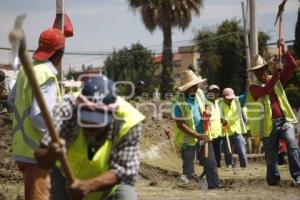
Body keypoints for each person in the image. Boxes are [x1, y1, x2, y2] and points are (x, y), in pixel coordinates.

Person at [35, 75, 145, 200]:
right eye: (86, 121)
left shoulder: (128, 122)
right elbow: (41, 160)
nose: (91, 129)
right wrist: (51, 152)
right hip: (65, 177)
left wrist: (89, 186)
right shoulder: (67, 111)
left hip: (110, 179)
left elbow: (125, 170)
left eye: (98, 123)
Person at [8, 27, 66, 200]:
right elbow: (39, 116)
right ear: (61, 53)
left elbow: (12, 101)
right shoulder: (46, 74)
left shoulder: (26, 70)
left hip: (23, 149)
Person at [247, 41, 300, 186]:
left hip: (284, 121)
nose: (259, 72)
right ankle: (273, 181)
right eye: (256, 71)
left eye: (261, 69)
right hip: (268, 127)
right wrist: (276, 76)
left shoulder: (276, 79)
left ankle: (297, 176)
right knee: (271, 158)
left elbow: (293, 66)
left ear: (266, 68)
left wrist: (283, 50)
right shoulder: (254, 87)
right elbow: (264, 91)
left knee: (292, 144)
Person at [172, 69, 219, 189]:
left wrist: (207, 111)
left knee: (211, 162)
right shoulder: (177, 102)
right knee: (189, 170)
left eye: (196, 84)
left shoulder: (199, 93)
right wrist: (197, 135)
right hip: (189, 141)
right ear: (185, 88)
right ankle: (190, 189)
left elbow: (207, 104)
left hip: (204, 134)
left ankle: (214, 185)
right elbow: (180, 124)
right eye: (192, 85)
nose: (196, 87)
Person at [219, 88, 248, 168]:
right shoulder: (219, 103)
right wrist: (222, 120)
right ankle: (229, 165)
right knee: (227, 151)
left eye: (231, 98)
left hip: (237, 130)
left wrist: (248, 87)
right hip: (226, 131)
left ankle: (244, 166)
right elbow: (217, 115)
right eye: (228, 98)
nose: (230, 100)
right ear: (224, 97)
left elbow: (245, 96)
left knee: (241, 150)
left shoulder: (237, 100)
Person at [206, 85, 222, 168]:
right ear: (208, 92)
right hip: (209, 133)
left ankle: (218, 168)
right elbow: (206, 112)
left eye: (216, 92)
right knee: (210, 156)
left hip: (217, 133)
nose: (214, 94)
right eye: (212, 91)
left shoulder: (216, 103)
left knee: (217, 154)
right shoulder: (206, 103)